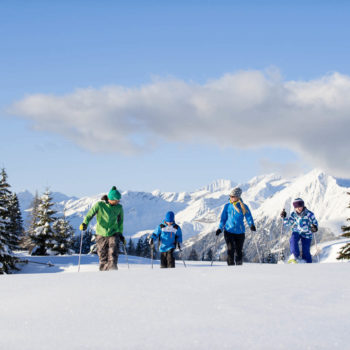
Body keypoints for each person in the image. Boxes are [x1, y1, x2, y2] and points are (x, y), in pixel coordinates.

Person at [80, 186, 125, 271]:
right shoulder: (99, 205)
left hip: (113, 233)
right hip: (101, 233)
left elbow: (120, 221)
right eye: (116, 200)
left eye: (118, 200)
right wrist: (84, 223)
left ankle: (113, 273)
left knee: (113, 254)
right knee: (102, 256)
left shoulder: (119, 207)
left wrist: (120, 233)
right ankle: (104, 276)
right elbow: (90, 214)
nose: (118, 202)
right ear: (111, 199)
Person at [216, 187, 256, 265]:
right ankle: (231, 267)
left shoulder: (243, 206)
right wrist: (220, 228)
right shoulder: (227, 206)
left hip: (240, 232)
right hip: (228, 231)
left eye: (233, 196)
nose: (231, 198)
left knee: (239, 251)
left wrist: (251, 225)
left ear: (238, 197)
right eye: (230, 196)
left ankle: (238, 268)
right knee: (230, 249)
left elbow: (248, 216)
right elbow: (223, 219)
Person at [280, 198, 318, 263]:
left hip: (307, 233)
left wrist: (314, 227)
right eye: (296, 207)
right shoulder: (294, 214)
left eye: (300, 206)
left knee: (306, 250)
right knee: (293, 240)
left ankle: (307, 262)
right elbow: (288, 223)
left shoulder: (309, 214)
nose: (298, 208)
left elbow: (315, 223)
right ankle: (295, 256)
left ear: (303, 205)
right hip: (297, 231)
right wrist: (284, 217)